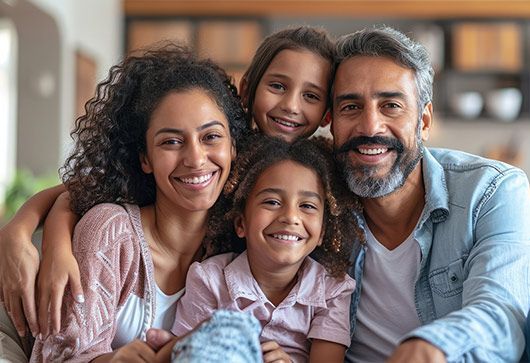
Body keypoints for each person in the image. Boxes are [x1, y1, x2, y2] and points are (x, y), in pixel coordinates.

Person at [0, 26, 335, 344]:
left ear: (327, 113)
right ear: (247, 90)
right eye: (278, 86)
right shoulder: (217, 156)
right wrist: (25, 235)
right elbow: (78, 193)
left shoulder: (299, 185)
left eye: (311, 95)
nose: (291, 105)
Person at [18, 42, 246, 361]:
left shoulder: (237, 244)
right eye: (171, 141)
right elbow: (59, 354)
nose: (195, 159)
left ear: (233, 148)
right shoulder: (112, 231)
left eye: (211, 137)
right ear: (145, 159)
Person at [330, 26, 530, 362]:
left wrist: (432, 345)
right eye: (350, 107)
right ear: (331, 121)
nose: (369, 127)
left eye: (390, 105)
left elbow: (501, 313)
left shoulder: (493, 190)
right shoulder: (312, 200)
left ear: (424, 121)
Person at [156, 134, 364, 363]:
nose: (290, 217)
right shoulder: (209, 279)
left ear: (322, 232)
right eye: (272, 202)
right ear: (241, 224)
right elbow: (185, 354)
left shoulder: (332, 291)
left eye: (307, 206)